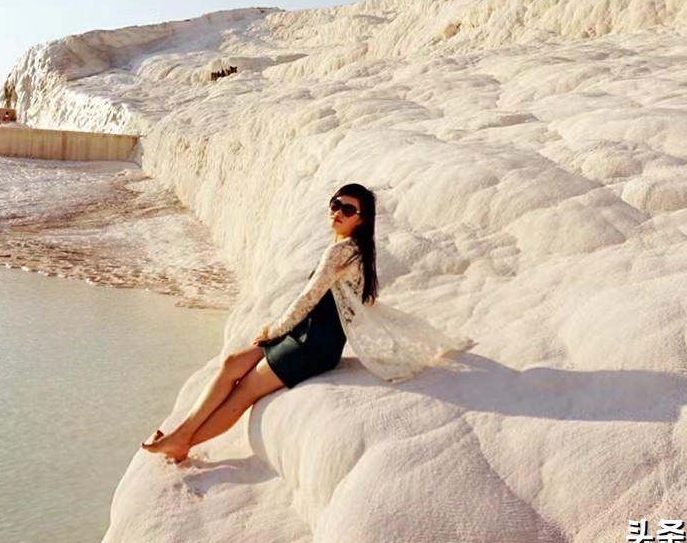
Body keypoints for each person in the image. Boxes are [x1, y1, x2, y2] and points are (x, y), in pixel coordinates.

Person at [141, 184, 470, 464]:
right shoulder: (354, 249)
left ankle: (184, 442)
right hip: (304, 335)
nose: (338, 212)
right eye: (335, 204)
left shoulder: (342, 253)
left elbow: (308, 299)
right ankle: (181, 433)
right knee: (231, 364)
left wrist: (273, 330)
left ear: (362, 218)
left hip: (311, 346)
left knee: (242, 394)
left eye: (348, 209)